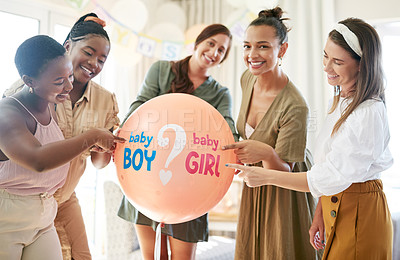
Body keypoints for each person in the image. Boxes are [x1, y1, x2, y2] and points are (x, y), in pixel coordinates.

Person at [227, 17, 393, 259]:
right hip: (334, 202)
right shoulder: (340, 100)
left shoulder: (367, 112)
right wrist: (320, 213)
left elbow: (333, 176)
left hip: (360, 207)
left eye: (337, 61)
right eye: (325, 56)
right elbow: (329, 167)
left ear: (361, 65)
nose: (326, 67)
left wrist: (263, 174)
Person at [3, 13, 120, 260]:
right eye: (88, 52)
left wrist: (104, 145)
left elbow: (94, 160)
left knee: (81, 255)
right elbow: (37, 158)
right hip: (15, 205)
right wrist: (91, 137)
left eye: (102, 59)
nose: (94, 63)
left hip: (56, 201)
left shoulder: (94, 99)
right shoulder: (23, 101)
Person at [117, 24, 238, 260]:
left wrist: (237, 150)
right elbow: (141, 105)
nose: (214, 52)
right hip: (148, 176)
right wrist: (122, 131)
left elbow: (227, 129)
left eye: (222, 50)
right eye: (211, 43)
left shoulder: (221, 93)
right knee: (152, 258)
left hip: (192, 185)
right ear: (197, 43)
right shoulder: (162, 70)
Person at [221, 7, 320, 260]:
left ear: (282, 50)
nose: (252, 55)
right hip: (255, 185)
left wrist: (264, 151)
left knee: (278, 249)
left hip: (283, 191)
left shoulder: (295, 105)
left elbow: (284, 170)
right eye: (247, 46)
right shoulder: (248, 79)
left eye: (263, 46)